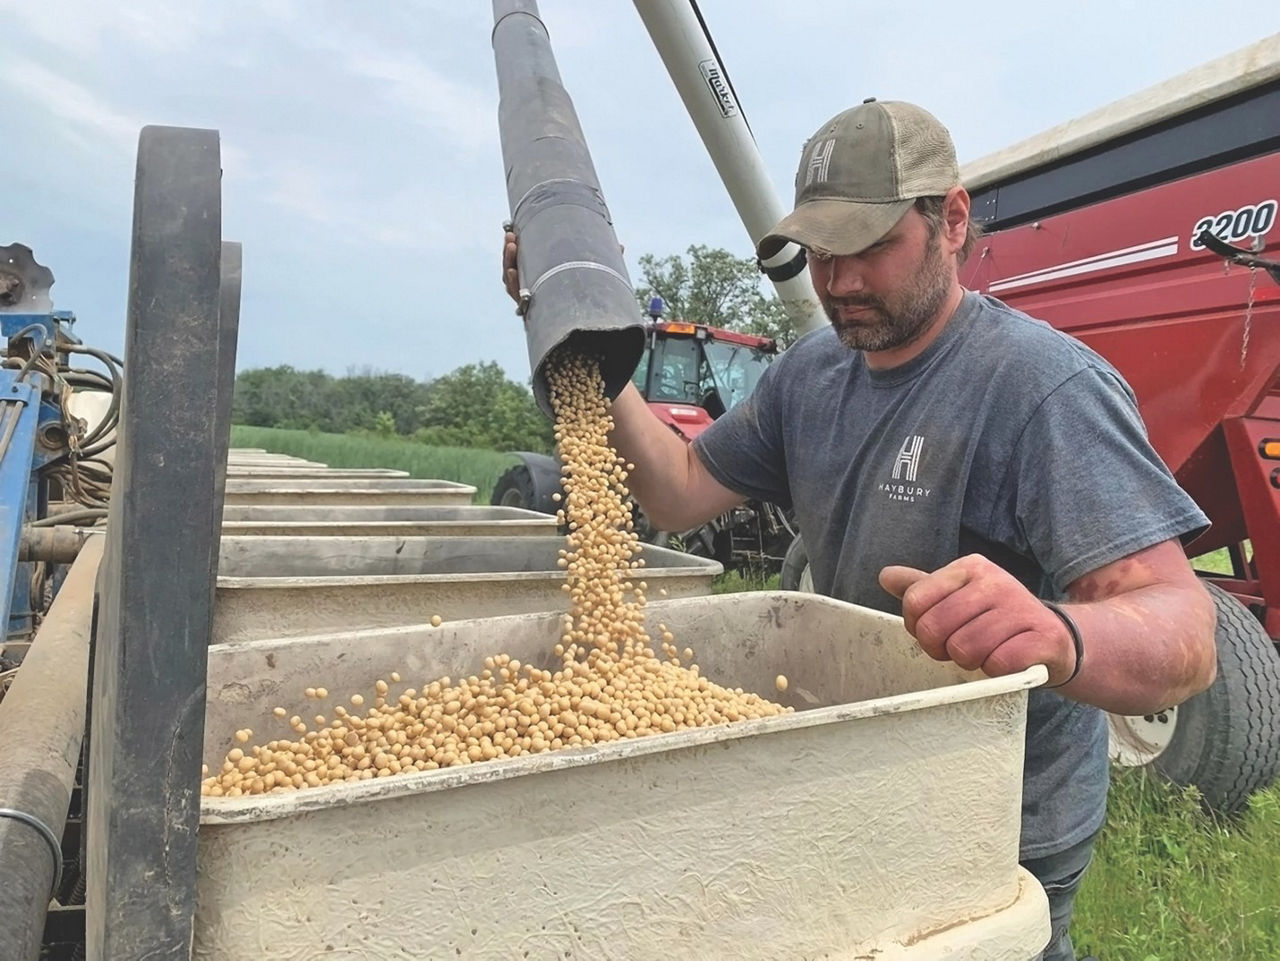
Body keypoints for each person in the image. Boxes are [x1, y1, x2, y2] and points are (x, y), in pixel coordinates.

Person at [502, 98, 1217, 961]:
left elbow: (1184, 632)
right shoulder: (812, 374)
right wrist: (581, 342)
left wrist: (1057, 631)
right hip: (854, 797)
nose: (838, 281)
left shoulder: (1040, 388)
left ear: (951, 220)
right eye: (823, 251)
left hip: (995, 825)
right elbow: (679, 491)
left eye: (871, 247)